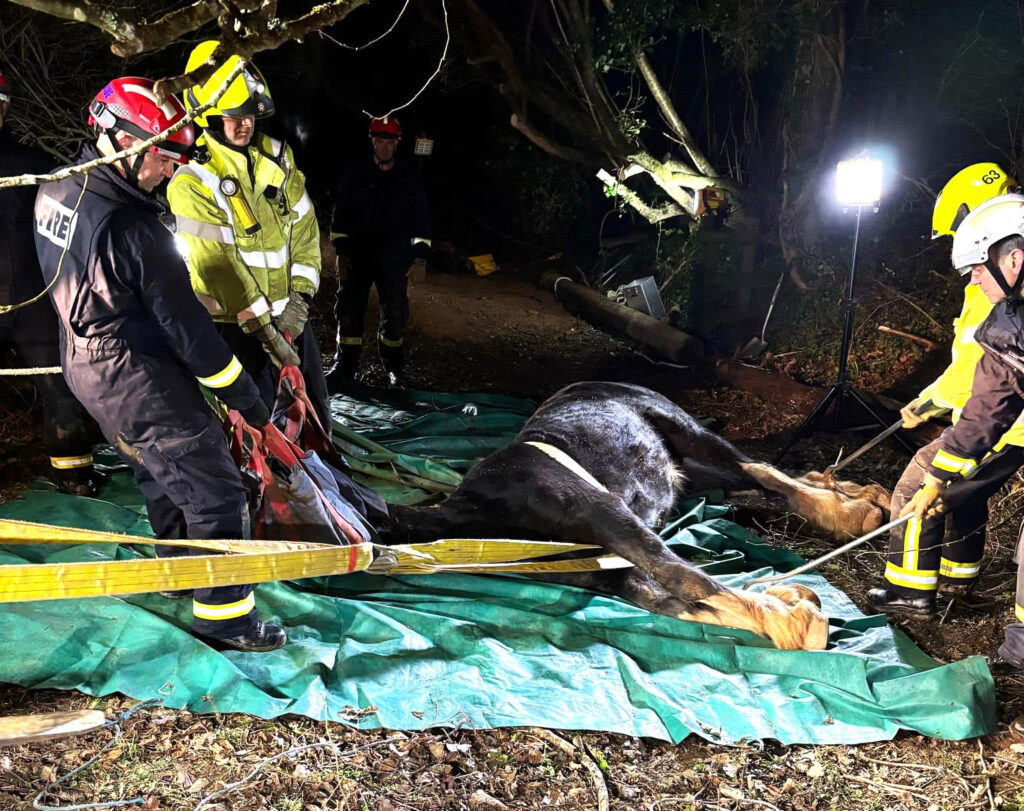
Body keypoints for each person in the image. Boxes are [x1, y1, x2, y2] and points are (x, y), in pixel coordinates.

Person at [33, 76, 285, 652]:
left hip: (85, 364)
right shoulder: (137, 229)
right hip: (132, 374)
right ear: (119, 140)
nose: (170, 173)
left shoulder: (58, 189)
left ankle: (177, 575)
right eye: (162, 158)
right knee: (217, 490)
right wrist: (246, 398)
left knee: (157, 470)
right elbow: (193, 334)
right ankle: (226, 623)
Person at [869, 164, 1024, 616]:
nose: (970, 275)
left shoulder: (997, 292)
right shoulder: (997, 279)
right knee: (966, 496)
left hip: (1004, 427)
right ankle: (958, 579)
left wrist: (932, 400)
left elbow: (984, 375)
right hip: (1000, 424)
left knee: (920, 487)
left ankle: (908, 592)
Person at [167, 41, 330, 429]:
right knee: (250, 430)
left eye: (251, 115)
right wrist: (267, 334)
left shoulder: (277, 158)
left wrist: (299, 302)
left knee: (313, 417)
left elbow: (305, 229)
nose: (246, 124)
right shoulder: (192, 180)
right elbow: (219, 268)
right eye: (233, 115)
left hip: (288, 319)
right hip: (233, 329)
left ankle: (319, 485)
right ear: (206, 115)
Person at [0, 69, 101, 496]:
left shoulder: (35, 166)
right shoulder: (34, 163)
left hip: (34, 297)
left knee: (61, 386)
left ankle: (75, 476)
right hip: (26, 294)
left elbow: (65, 231)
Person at [329, 115, 431, 386]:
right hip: (358, 255)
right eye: (378, 140)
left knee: (395, 313)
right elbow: (340, 215)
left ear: (397, 143)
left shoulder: (409, 176)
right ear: (372, 141)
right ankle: (344, 366)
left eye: (389, 141)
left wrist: (419, 258)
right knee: (349, 310)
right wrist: (341, 251)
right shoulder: (356, 172)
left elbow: (421, 218)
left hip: (394, 258)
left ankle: (394, 368)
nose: (383, 146)